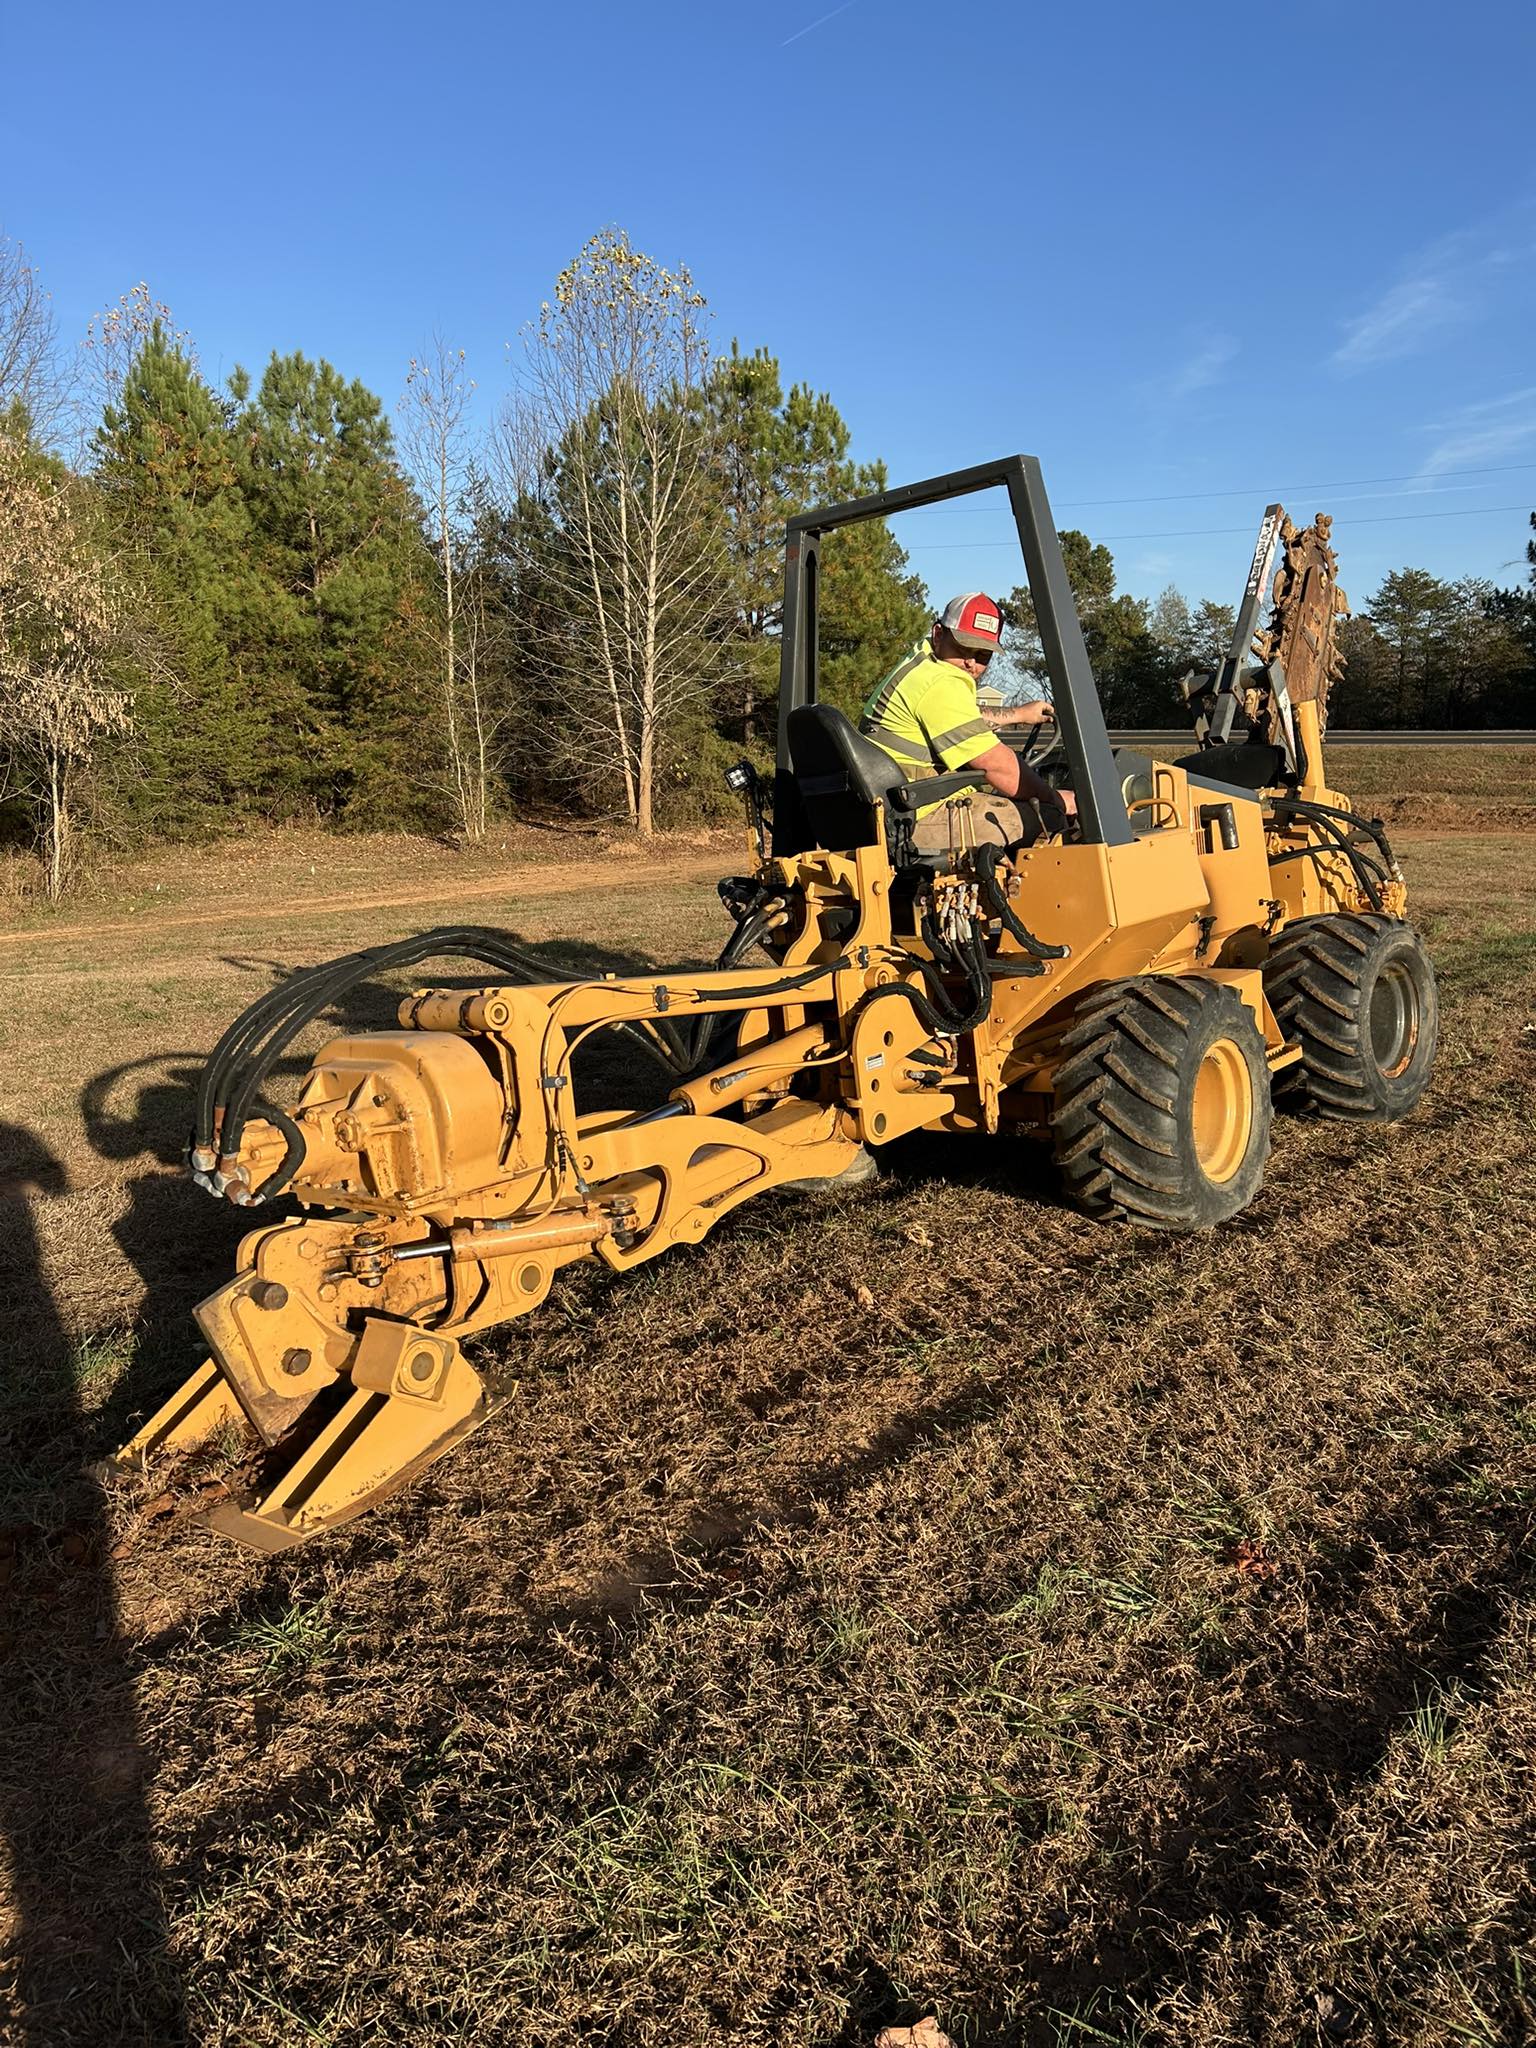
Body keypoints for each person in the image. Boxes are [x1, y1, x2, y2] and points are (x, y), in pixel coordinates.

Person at [859, 591, 1075, 851]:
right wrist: (1056, 799)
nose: (972, 663)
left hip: (891, 809)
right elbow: (998, 766)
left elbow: (962, 716)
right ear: (939, 633)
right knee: (1047, 818)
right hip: (913, 820)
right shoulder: (941, 682)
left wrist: (1018, 714)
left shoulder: (922, 665)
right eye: (963, 648)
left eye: (983, 655)